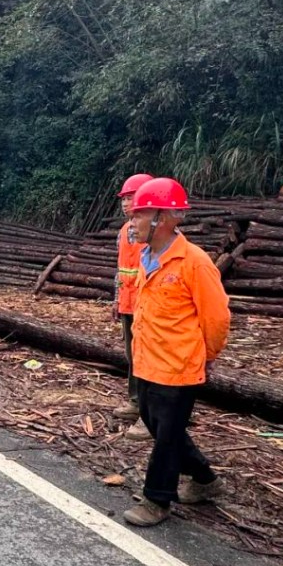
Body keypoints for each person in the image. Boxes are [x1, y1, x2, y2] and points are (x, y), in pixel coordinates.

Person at [122, 177, 230, 527]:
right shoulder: (146, 256)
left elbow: (217, 317)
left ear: (163, 218)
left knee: (167, 437)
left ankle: (157, 500)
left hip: (180, 365)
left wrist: (208, 356)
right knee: (159, 427)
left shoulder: (193, 262)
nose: (132, 221)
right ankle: (206, 480)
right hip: (149, 361)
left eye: (139, 214)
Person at [112, 173, 153, 442]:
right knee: (133, 355)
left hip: (148, 305)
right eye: (124, 199)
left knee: (149, 358)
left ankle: (150, 416)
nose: (126, 204)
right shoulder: (123, 232)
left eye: (131, 198)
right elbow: (121, 269)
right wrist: (116, 298)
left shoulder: (154, 234)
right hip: (128, 303)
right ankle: (135, 401)